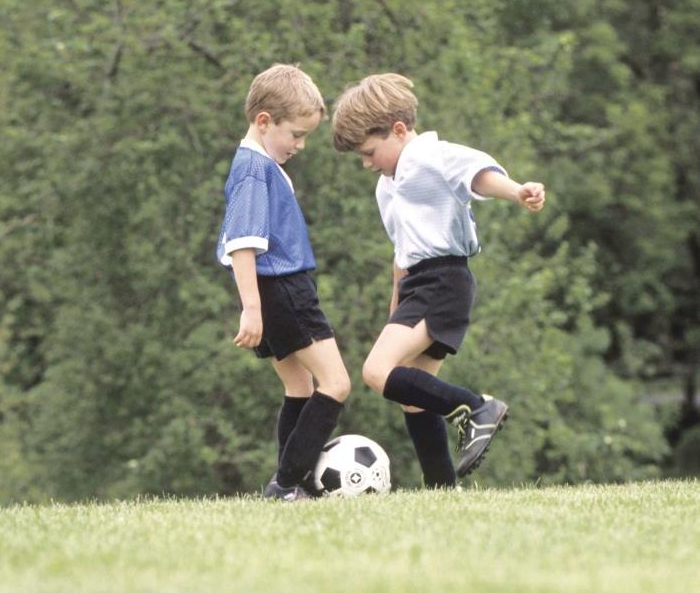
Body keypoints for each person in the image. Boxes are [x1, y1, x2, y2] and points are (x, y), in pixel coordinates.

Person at [331, 73, 545, 487]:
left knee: (377, 373)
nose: (367, 162)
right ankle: (442, 489)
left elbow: (476, 173)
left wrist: (517, 191)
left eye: (370, 152)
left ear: (398, 130)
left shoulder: (429, 155)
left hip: (443, 281)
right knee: (414, 396)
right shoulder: (385, 186)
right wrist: (395, 309)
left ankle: (477, 408)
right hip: (417, 286)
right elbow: (402, 251)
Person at [216, 64, 350, 501]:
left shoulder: (256, 163)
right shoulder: (255, 169)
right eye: (295, 134)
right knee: (336, 384)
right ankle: (288, 484)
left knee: (299, 387)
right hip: (283, 290)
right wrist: (252, 308)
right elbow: (242, 243)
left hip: (276, 292)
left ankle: (290, 486)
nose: (300, 145)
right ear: (263, 121)